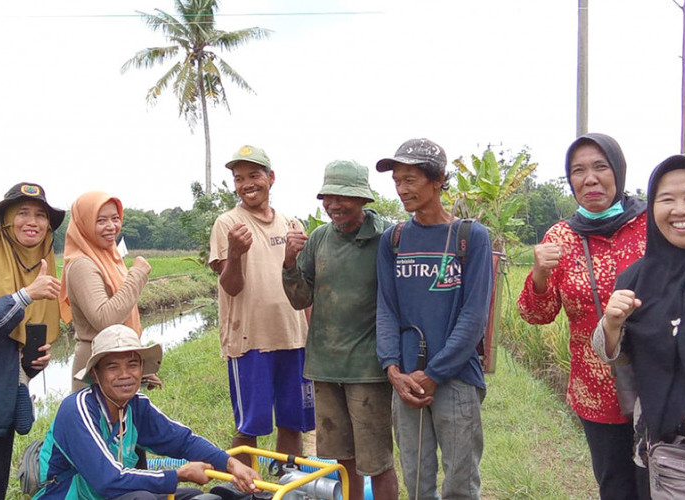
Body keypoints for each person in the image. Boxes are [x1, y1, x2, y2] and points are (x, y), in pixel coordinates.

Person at [517, 133, 647, 499]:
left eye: (600, 167)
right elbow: (535, 315)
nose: (590, 178)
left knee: (659, 483)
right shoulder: (561, 236)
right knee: (616, 486)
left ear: (618, 171)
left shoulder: (650, 225)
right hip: (595, 392)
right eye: (578, 171)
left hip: (655, 385)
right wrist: (540, 274)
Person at [375, 138, 494, 499]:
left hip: (455, 379)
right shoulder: (393, 240)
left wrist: (435, 373)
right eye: (397, 180)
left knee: (459, 482)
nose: (401, 189)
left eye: (410, 179)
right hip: (406, 381)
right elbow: (386, 309)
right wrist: (393, 370)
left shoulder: (470, 237)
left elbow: (474, 315)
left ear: (438, 179)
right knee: (416, 479)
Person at [34, 324, 261, 499]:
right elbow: (108, 479)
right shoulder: (77, 410)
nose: (125, 374)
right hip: (71, 495)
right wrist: (178, 474)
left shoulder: (136, 406)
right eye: (113, 366)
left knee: (194, 496)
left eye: (132, 365)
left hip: (114, 493)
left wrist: (232, 465)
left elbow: (183, 441)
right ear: (95, 374)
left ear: (142, 369)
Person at [282, 160, 398, 500]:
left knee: (376, 461)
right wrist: (289, 262)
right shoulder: (319, 239)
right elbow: (299, 297)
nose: (333, 205)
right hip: (325, 367)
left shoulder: (386, 239)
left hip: (368, 370)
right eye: (327, 197)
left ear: (362, 199)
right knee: (341, 458)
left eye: (342, 197)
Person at [593, 154, 685, 498]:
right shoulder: (636, 278)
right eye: (667, 199)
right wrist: (612, 323)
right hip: (662, 451)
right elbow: (613, 355)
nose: (680, 209)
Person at [209, 145, 314, 462]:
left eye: (254, 175)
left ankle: (287, 483)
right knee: (248, 428)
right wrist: (237, 252)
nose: (246, 184)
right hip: (250, 341)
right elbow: (231, 286)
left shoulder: (292, 224)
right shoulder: (228, 225)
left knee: (292, 423)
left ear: (271, 178)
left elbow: (305, 289)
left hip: (294, 339)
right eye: (239, 178)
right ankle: (241, 490)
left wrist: (314, 334)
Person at [0, 182, 64, 500]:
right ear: (6, 220)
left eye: (40, 215)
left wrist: (31, 365)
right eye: (22, 212)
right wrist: (25, 296)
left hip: (0, 411)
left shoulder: (43, 267)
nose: (32, 221)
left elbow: (7, 353)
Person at [60, 191, 154, 392]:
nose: (111, 226)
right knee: (94, 422)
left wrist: (138, 364)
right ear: (84, 223)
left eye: (115, 218)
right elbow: (105, 319)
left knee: (121, 423)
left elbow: (124, 316)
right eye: (101, 220)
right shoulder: (82, 264)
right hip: (96, 367)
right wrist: (137, 275)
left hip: (117, 360)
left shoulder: (109, 257)